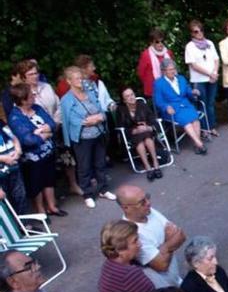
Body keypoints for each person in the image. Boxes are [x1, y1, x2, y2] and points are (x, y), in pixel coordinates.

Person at [15, 60, 82, 197]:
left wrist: (55, 123)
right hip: (40, 133)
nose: (35, 76)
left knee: (68, 158)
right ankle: (51, 196)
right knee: (46, 165)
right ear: (23, 76)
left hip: (56, 126)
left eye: (36, 72)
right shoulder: (21, 92)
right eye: (31, 74)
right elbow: (24, 114)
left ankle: (73, 185)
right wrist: (44, 130)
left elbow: (58, 106)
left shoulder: (46, 87)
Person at [60, 66, 117, 209]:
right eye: (77, 78)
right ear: (69, 81)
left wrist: (99, 118)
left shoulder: (90, 92)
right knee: (84, 167)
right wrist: (90, 120)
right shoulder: (66, 100)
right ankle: (87, 194)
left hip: (98, 133)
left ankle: (103, 189)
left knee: (100, 163)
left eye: (81, 77)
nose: (81, 81)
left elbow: (101, 109)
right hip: (82, 138)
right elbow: (70, 121)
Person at [7, 84, 63, 216]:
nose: (35, 96)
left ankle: (52, 206)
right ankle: (40, 210)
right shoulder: (15, 117)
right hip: (32, 157)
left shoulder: (37, 108)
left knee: (49, 179)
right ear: (23, 99)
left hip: (48, 152)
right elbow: (28, 140)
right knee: (36, 184)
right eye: (31, 95)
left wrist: (41, 131)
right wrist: (46, 134)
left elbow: (52, 123)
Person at [117, 184, 187, 288]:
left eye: (147, 197)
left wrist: (164, 249)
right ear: (126, 207)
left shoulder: (148, 211)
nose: (148, 203)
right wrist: (168, 242)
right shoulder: (131, 234)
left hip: (176, 279)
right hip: (163, 289)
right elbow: (161, 265)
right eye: (142, 202)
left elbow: (181, 235)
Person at [152, 59, 208, 155]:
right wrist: (166, 107)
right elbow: (158, 101)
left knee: (195, 119)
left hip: (185, 105)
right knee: (187, 122)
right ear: (164, 71)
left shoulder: (181, 78)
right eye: (169, 69)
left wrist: (193, 92)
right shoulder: (159, 83)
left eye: (173, 69)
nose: (173, 71)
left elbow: (188, 91)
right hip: (172, 109)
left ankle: (197, 144)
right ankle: (199, 144)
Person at [116, 87, 163, 180]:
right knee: (140, 141)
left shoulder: (142, 105)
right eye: (127, 96)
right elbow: (121, 127)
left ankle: (155, 163)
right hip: (132, 134)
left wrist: (147, 127)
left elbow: (153, 120)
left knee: (147, 137)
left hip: (147, 131)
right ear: (124, 100)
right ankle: (148, 166)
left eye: (132, 94)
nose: (131, 97)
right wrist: (134, 131)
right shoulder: (120, 110)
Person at [185, 19, 220, 137]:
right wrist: (210, 74)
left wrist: (214, 73)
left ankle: (212, 126)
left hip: (212, 78)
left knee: (210, 104)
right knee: (201, 104)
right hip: (199, 80)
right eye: (196, 31)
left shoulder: (209, 43)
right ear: (192, 33)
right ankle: (204, 129)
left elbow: (216, 59)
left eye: (201, 30)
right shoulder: (190, 47)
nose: (199, 33)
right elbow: (193, 65)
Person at [0, 119, 29, 214]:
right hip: (1, 172)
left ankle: (24, 225)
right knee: (5, 201)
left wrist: (18, 150)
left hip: (13, 166)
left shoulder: (1, 123)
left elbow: (13, 137)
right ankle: (12, 228)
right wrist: (4, 158)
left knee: (20, 195)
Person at [137, 28, 174, 99]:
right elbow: (141, 73)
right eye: (157, 42)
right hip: (153, 90)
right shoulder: (146, 55)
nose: (160, 44)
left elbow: (173, 69)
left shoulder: (168, 53)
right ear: (151, 43)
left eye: (162, 41)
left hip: (170, 88)